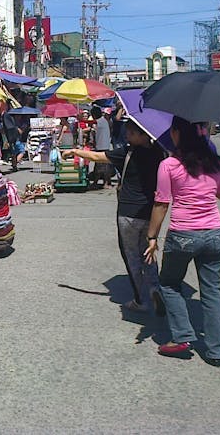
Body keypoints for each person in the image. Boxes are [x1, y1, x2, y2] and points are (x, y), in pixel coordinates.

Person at [144, 116, 220, 367]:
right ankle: (216, 350)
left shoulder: (169, 165)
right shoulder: (216, 163)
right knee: (212, 290)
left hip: (183, 235)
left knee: (169, 284)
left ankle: (182, 335)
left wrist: (152, 236)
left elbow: (161, 203)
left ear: (176, 133)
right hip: (214, 233)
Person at [63, 119, 166, 313]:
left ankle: (139, 300)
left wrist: (75, 151)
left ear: (142, 135)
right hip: (150, 213)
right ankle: (154, 287)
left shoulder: (127, 152)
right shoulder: (159, 153)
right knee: (148, 251)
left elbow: (96, 156)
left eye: (131, 133)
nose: (127, 135)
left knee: (132, 256)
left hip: (127, 213)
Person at [90, 106, 113, 188]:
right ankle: (103, 182)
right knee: (102, 165)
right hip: (104, 145)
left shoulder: (98, 122)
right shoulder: (104, 121)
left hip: (101, 146)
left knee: (101, 165)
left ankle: (102, 182)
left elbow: (92, 126)